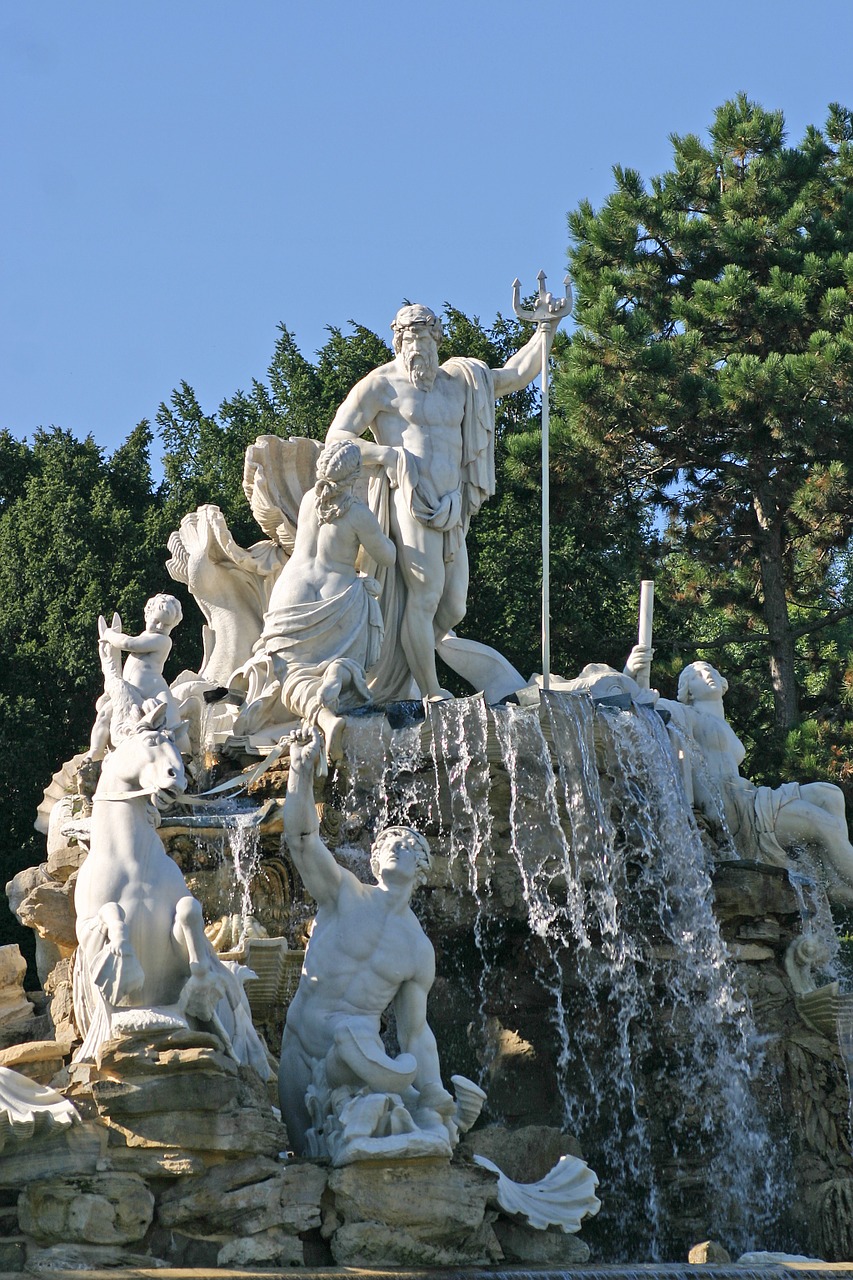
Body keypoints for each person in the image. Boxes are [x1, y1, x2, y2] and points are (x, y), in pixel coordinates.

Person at [325, 302, 564, 702]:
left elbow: (519, 374)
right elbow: (337, 437)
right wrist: (387, 455)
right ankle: (430, 691)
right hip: (410, 499)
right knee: (426, 594)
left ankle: (403, 667)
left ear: (437, 339)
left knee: (453, 607)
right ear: (397, 342)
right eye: (407, 339)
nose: (415, 347)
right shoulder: (380, 385)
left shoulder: (460, 381)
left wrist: (547, 328)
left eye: (423, 337)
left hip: (453, 506)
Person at [279, 726, 456, 1157]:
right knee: (300, 1154)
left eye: (409, 844)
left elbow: (415, 1035)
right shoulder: (346, 894)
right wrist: (299, 773)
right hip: (299, 1045)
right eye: (389, 841)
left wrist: (432, 1090)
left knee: (348, 1155)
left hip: (353, 1066)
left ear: (422, 869)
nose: (397, 844)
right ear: (374, 859)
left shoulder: (417, 950)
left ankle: (410, 1109)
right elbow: (302, 842)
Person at [229, 441, 396, 757]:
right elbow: (386, 556)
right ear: (355, 475)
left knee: (287, 672)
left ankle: (322, 713)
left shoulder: (309, 500)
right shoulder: (358, 514)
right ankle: (337, 676)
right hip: (337, 595)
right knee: (335, 657)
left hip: (292, 590)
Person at [670, 661, 853, 898]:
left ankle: (833, 880)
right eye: (697, 675)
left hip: (748, 795)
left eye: (711, 670)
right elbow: (642, 700)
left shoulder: (722, 724)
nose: (708, 675)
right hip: (734, 812)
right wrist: (635, 670)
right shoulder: (685, 714)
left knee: (830, 794)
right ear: (688, 691)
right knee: (826, 825)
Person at [87, 594, 185, 761]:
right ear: (147, 614)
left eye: (166, 625)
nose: (160, 626)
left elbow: (127, 644)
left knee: (171, 724)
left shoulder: (162, 640)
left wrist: (110, 635)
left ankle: (184, 759)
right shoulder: (146, 636)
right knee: (104, 714)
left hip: (154, 692)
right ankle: (95, 752)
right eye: (157, 620)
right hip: (132, 692)